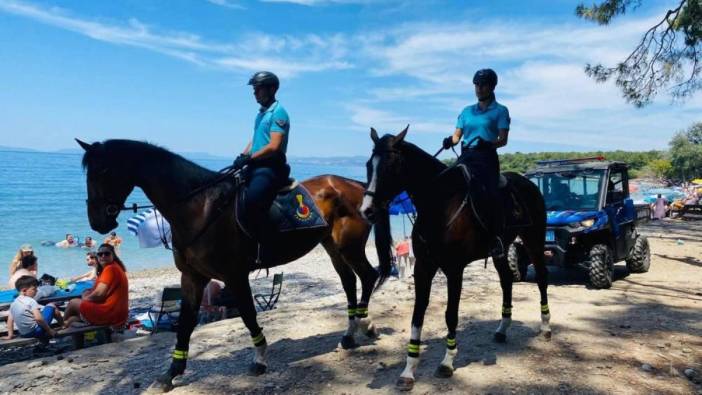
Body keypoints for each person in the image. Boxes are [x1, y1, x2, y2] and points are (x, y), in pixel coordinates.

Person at [441, 68, 510, 258]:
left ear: (492, 87)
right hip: (467, 156)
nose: (479, 88)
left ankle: (495, 237)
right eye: (477, 85)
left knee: (489, 191)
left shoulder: (500, 111)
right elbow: (457, 136)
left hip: (486, 158)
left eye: (483, 85)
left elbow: (503, 140)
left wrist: (489, 143)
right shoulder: (466, 111)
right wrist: (449, 141)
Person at [231, 71, 291, 243]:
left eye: (258, 89)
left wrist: (249, 158)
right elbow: (255, 138)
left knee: (253, 200)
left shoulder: (279, 113)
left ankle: (264, 242)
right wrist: (242, 155)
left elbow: (274, 145)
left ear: (271, 89)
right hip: (255, 165)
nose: (254, 93)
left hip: (271, 168)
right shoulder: (261, 113)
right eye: (254, 89)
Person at [63, 244, 128, 328]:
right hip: (119, 314)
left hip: (110, 313)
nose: (103, 256)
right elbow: (103, 292)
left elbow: (98, 294)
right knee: (73, 319)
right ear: (97, 256)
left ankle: (62, 325)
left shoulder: (110, 269)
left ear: (113, 255)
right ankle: (66, 327)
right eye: (100, 254)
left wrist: (85, 299)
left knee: (73, 302)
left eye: (106, 253)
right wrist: (88, 293)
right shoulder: (115, 267)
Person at [4, 276, 64, 340]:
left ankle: (62, 325)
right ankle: (63, 325)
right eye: (34, 289)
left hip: (23, 334)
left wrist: (10, 335)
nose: (37, 291)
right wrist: (49, 330)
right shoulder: (31, 301)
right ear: (24, 290)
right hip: (36, 331)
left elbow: (10, 321)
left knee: (43, 310)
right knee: (51, 305)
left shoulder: (13, 303)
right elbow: (38, 319)